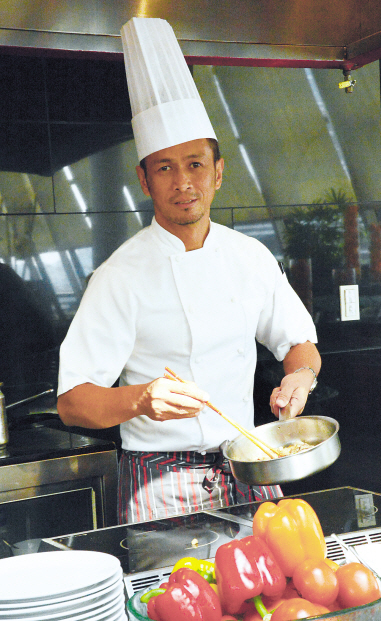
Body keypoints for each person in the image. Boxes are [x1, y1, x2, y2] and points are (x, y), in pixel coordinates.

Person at [57, 17, 321, 524]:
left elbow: (297, 342)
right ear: (144, 179)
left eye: (195, 164)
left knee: (270, 599)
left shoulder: (250, 257)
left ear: (219, 173)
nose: (183, 182)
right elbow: (74, 402)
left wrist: (301, 379)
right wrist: (142, 400)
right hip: (159, 480)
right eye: (165, 167)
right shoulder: (121, 275)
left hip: (249, 466)